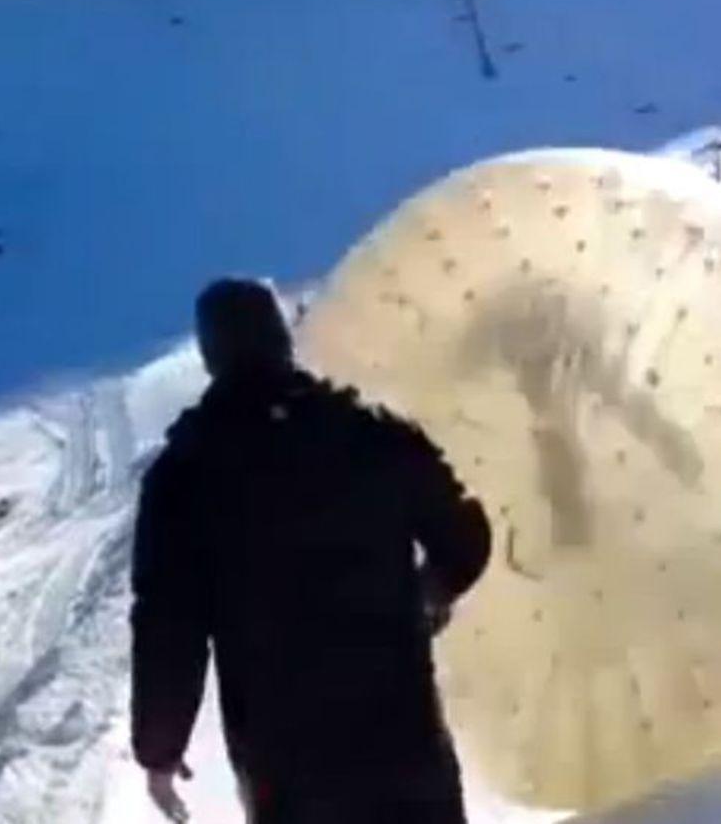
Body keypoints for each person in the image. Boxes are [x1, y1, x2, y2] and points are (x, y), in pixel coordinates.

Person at [131, 278, 492, 823]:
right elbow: (464, 535)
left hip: (286, 770)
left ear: (210, 356)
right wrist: (429, 593)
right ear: (283, 339)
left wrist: (160, 749)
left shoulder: (184, 475)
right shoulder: (371, 437)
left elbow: (168, 624)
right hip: (405, 745)